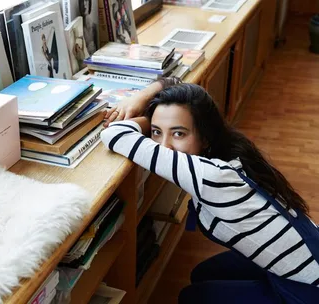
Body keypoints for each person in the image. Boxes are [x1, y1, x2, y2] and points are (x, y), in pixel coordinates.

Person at [101, 77, 319, 304]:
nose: (163, 147)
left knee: (192, 297)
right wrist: (146, 101)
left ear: (205, 137)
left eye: (178, 134)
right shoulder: (226, 155)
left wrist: (148, 118)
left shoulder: (211, 177)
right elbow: (175, 82)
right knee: (202, 273)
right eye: (156, 132)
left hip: (309, 289)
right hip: (306, 258)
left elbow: (114, 135)